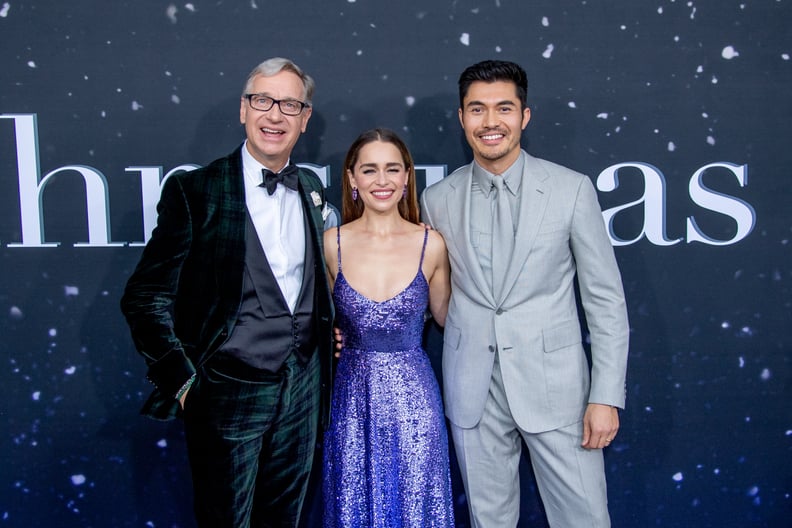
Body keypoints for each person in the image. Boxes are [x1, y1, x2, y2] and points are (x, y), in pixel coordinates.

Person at [120, 57, 335, 527]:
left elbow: (318, 287)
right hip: (225, 392)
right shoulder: (195, 191)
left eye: (289, 104)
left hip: (301, 394)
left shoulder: (313, 189)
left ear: (305, 118)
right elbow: (145, 296)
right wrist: (182, 382)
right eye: (263, 100)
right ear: (243, 109)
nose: (274, 115)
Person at [420, 60, 630, 527]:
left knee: (584, 519)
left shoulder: (570, 190)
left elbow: (605, 300)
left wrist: (606, 395)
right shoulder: (437, 199)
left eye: (503, 109)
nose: (490, 122)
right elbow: (432, 290)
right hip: (472, 388)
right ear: (461, 119)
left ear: (525, 116)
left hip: (558, 391)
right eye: (477, 109)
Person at [322, 128, 455, 527]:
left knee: (417, 509)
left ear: (406, 177)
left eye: (392, 169)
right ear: (352, 179)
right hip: (350, 402)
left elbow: (451, 319)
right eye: (370, 170)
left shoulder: (432, 244)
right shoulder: (331, 243)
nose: (382, 181)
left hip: (415, 404)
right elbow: (320, 318)